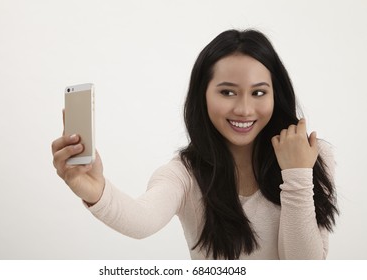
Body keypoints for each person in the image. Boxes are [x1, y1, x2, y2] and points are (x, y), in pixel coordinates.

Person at [51, 29, 338, 259]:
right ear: (203, 96)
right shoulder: (184, 174)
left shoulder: (312, 155)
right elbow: (141, 220)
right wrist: (95, 192)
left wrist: (297, 174)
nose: (245, 109)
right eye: (227, 92)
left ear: (277, 95)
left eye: (259, 92)